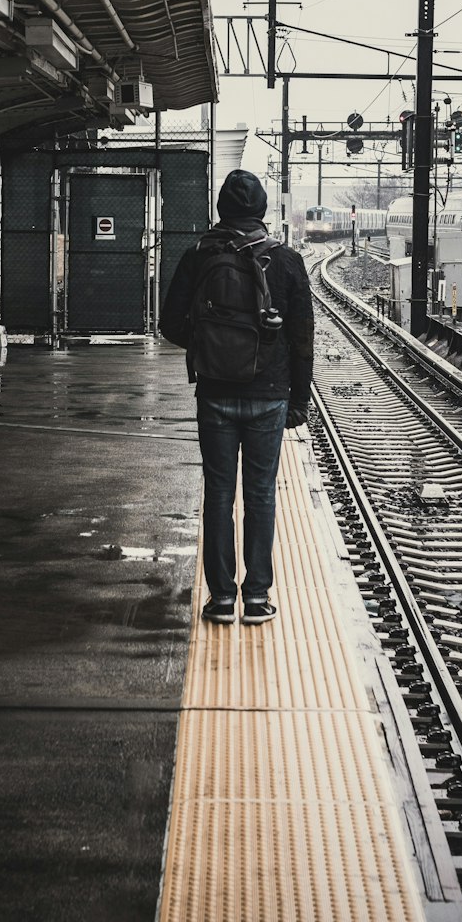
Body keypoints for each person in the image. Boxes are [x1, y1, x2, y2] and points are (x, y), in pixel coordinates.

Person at [159, 169, 314, 625]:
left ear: (223, 209)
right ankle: (258, 599)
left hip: (215, 396)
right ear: (261, 211)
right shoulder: (286, 261)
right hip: (269, 396)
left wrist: (211, 347)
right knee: (261, 495)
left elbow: (169, 323)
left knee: (219, 494)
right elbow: (303, 338)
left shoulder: (200, 255)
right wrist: (298, 401)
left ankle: (222, 600)